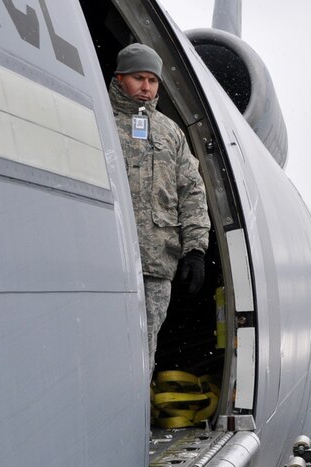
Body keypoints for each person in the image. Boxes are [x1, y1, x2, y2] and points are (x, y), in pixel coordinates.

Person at [109, 43, 210, 374]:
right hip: (105, 260)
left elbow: (191, 192)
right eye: (138, 78)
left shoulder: (170, 133)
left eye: (153, 81)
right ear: (120, 77)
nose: (146, 88)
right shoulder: (99, 121)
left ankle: (135, 417)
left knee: (144, 345)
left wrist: (195, 249)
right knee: (106, 341)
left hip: (156, 264)